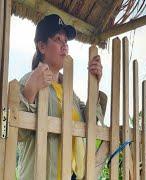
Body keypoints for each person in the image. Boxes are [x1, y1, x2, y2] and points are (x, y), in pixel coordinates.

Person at [17, 14, 107, 179]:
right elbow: (14, 134)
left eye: (66, 41)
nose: (64, 46)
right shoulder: (27, 81)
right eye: (58, 39)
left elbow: (89, 123)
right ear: (42, 46)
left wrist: (95, 83)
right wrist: (30, 90)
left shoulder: (69, 92)